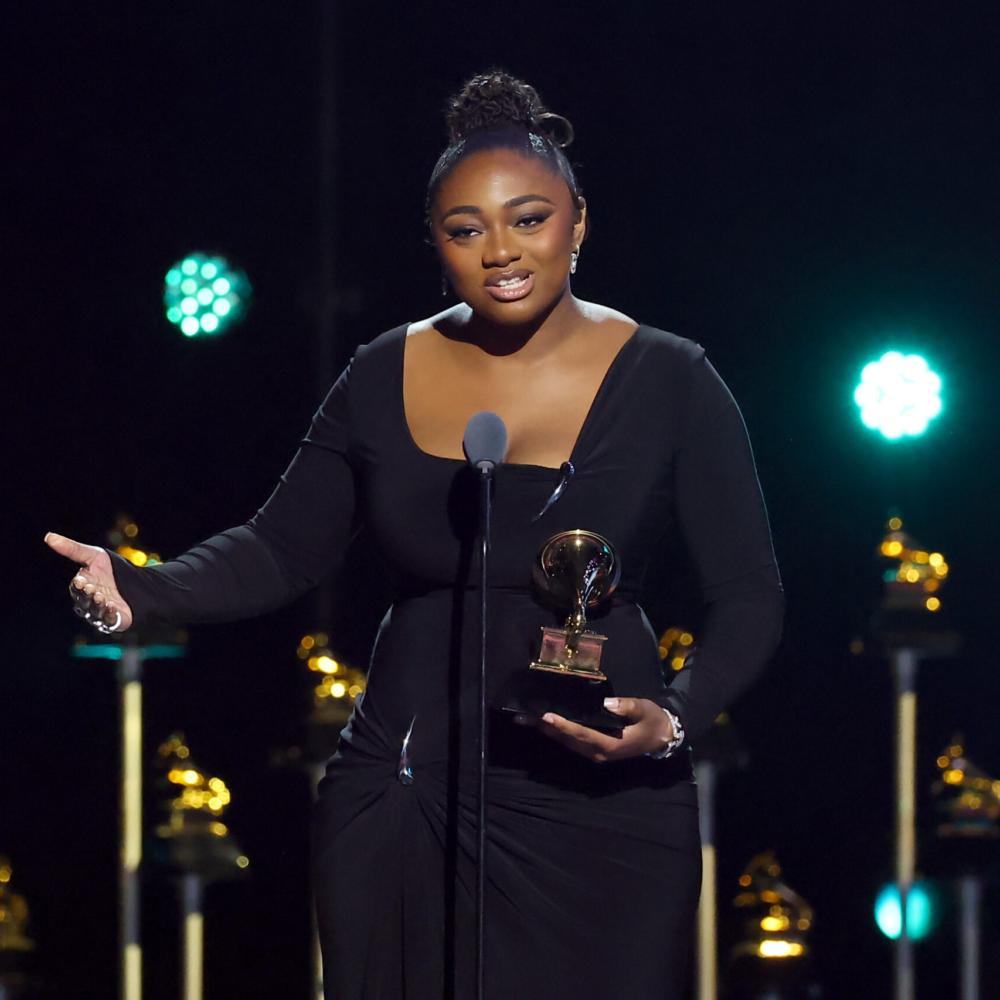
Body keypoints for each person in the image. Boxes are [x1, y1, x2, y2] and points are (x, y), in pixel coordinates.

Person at [46, 71, 783, 1000]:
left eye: (530, 219)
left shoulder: (674, 378)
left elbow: (750, 593)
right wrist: (139, 585)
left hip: (604, 798)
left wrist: (676, 713)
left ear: (580, 222)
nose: (501, 252)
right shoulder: (382, 370)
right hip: (405, 789)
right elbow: (281, 547)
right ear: (434, 242)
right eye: (466, 229)